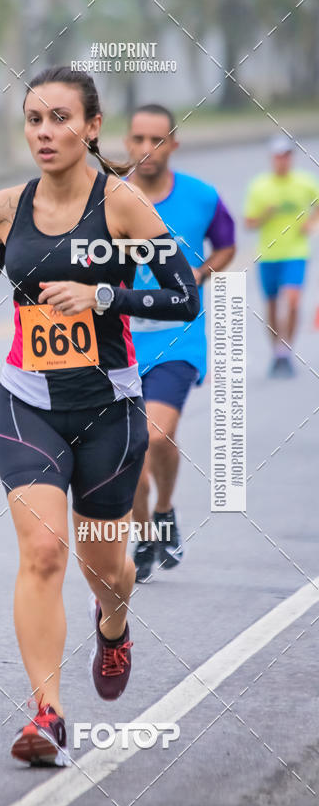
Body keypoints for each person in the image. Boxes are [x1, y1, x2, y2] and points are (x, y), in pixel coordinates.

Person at [0, 68, 199, 768]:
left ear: (91, 127)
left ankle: (113, 628)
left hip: (109, 412)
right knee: (42, 552)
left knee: (104, 569)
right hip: (26, 404)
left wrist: (104, 296)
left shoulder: (123, 206)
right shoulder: (1, 208)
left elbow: (183, 298)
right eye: (34, 119)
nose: (44, 133)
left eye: (59, 119)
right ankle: (47, 715)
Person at [124, 104, 236, 582]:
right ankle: (146, 532)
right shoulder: (112, 197)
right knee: (128, 455)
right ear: (126, 142)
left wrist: (198, 274)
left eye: (156, 139)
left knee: (156, 437)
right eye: (137, 139)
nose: (145, 149)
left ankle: (164, 508)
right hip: (121, 344)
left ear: (172, 144)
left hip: (177, 339)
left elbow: (227, 242)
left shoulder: (201, 197)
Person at [244, 135, 319, 378]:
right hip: (268, 254)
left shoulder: (305, 183)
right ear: (272, 159)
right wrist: (265, 214)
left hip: (296, 252)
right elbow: (249, 222)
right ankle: (277, 351)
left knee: (294, 300)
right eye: (278, 156)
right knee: (273, 304)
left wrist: (312, 222)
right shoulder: (260, 186)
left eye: (287, 155)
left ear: (291, 158)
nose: (282, 160)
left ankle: (287, 350)